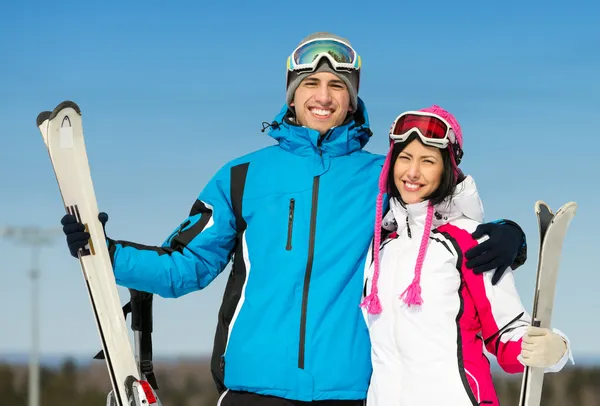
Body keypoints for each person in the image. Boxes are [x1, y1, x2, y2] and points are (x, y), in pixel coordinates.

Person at [60, 33, 528, 405]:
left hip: (350, 391)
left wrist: (512, 237)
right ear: (291, 95)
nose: (323, 97)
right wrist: (106, 253)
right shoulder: (243, 176)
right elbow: (185, 265)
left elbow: (446, 219)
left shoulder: (381, 176)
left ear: (351, 99)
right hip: (253, 389)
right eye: (311, 84)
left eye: (337, 87)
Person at [361, 105, 573, 406]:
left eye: (427, 161)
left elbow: (506, 334)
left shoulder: (469, 240)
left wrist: (554, 349)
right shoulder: (381, 246)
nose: (412, 172)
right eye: (404, 158)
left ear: (447, 169)